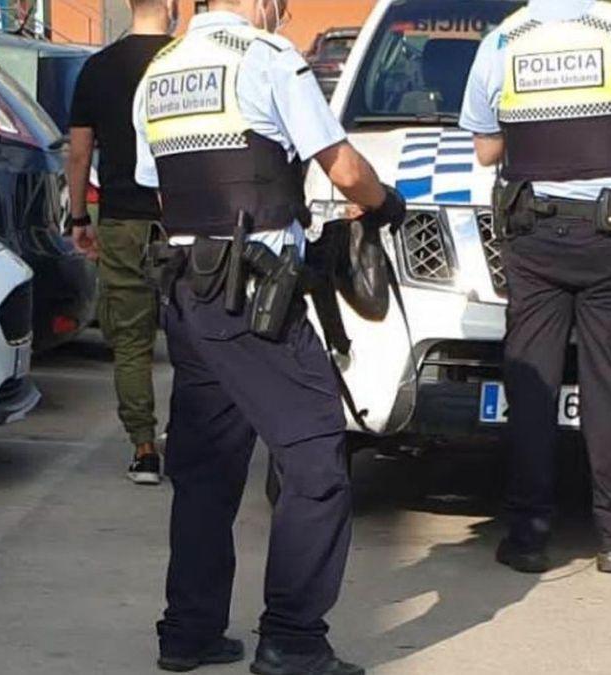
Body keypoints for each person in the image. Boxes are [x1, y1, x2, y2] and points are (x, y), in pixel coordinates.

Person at [132, 1, 404, 673]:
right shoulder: (266, 58)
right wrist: (385, 204)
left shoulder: (160, 71)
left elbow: (160, 191)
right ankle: (293, 637)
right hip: (255, 296)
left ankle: (189, 632)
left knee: (206, 468)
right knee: (315, 460)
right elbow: (342, 166)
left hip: (187, 289)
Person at [460, 0, 611, 575]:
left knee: (532, 385)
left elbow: (486, 150)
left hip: (532, 236)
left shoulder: (503, 41)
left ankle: (527, 537)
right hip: (609, 236)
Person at [67, 0, 177, 485]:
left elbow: (79, 153)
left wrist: (78, 217)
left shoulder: (98, 68)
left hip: (121, 221)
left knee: (131, 342)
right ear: (171, 5)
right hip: (185, 221)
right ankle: (191, 439)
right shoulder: (185, 60)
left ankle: (144, 448)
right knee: (196, 339)